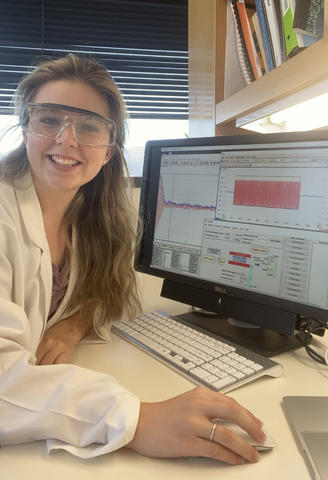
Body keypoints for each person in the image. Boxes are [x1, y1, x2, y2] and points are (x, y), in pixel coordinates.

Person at [0, 53, 266, 464]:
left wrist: (74, 325)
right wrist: (135, 420)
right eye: (49, 119)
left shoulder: (92, 218)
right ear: (25, 127)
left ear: (108, 151)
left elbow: (106, 295)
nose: (67, 140)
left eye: (89, 126)